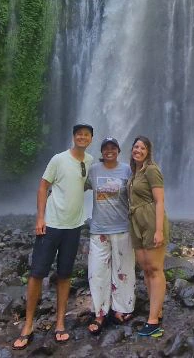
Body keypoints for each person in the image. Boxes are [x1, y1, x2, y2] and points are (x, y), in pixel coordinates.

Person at [12, 123, 95, 350]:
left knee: (65, 274)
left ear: (91, 139)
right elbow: (42, 187)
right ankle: (27, 325)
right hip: (51, 224)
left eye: (86, 135)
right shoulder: (58, 159)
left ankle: (60, 322)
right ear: (74, 136)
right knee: (37, 273)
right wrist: (40, 218)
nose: (82, 137)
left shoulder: (89, 162)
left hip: (74, 226)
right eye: (79, 134)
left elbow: (89, 185)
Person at [85, 136, 136, 334]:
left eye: (113, 147)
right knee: (97, 272)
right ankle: (99, 312)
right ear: (101, 152)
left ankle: (122, 309)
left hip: (123, 228)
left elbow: (139, 191)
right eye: (106, 148)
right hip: (98, 230)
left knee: (124, 270)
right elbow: (76, 186)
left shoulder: (127, 170)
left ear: (118, 150)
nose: (109, 151)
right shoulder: (94, 170)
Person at [128, 135, 170, 338]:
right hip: (136, 223)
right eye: (136, 147)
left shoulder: (152, 170)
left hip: (152, 221)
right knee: (145, 268)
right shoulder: (134, 172)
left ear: (148, 152)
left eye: (143, 148)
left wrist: (159, 230)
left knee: (155, 268)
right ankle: (157, 310)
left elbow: (160, 201)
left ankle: (153, 322)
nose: (139, 150)